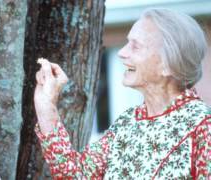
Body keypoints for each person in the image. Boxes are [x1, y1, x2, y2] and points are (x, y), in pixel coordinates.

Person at [34, 8, 211, 179]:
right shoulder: (127, 122)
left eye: (135, 47)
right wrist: (45, 105)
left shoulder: (203, 126)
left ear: (168, 65)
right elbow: (75, 175)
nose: (122, 52)